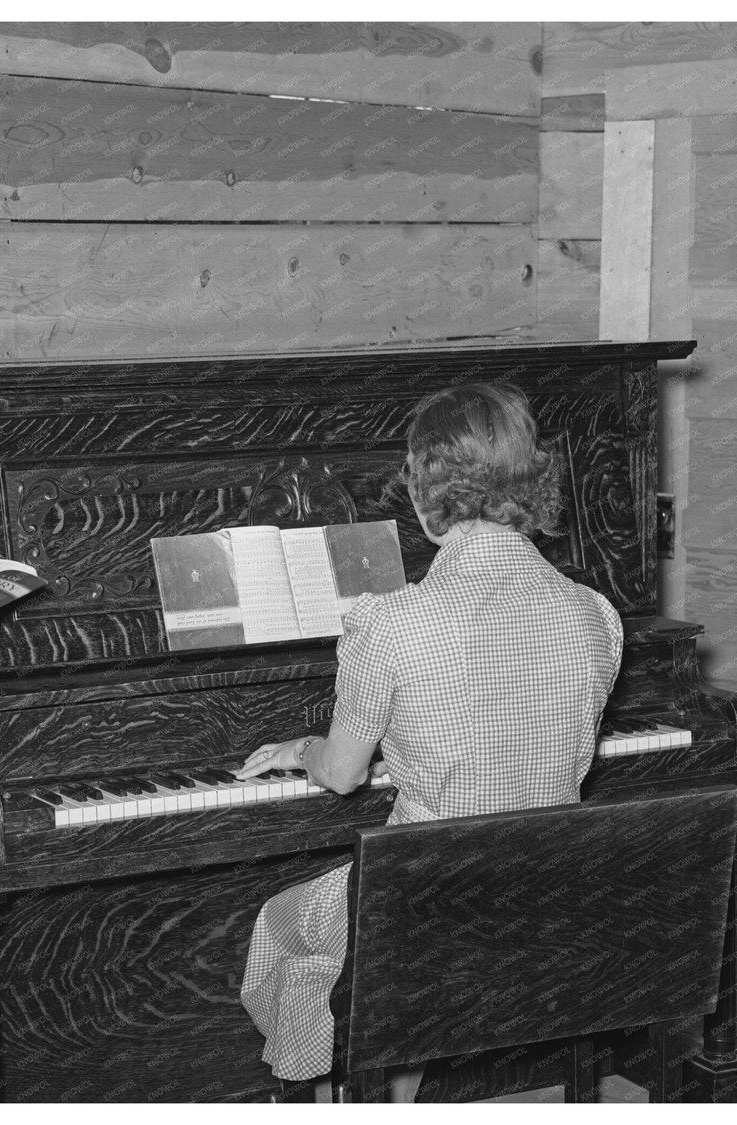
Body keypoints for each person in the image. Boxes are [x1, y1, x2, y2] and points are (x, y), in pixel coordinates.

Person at [234, 382, 623, 1091]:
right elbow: (512, 729)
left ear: (421, 493)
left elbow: (343, 773)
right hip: (543, 893)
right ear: (531, 483)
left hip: (423, 902)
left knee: (283, 925)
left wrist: (300, 749)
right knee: (392, 951)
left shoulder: (392, 621)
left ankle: (326, 1095)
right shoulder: (595, 613)